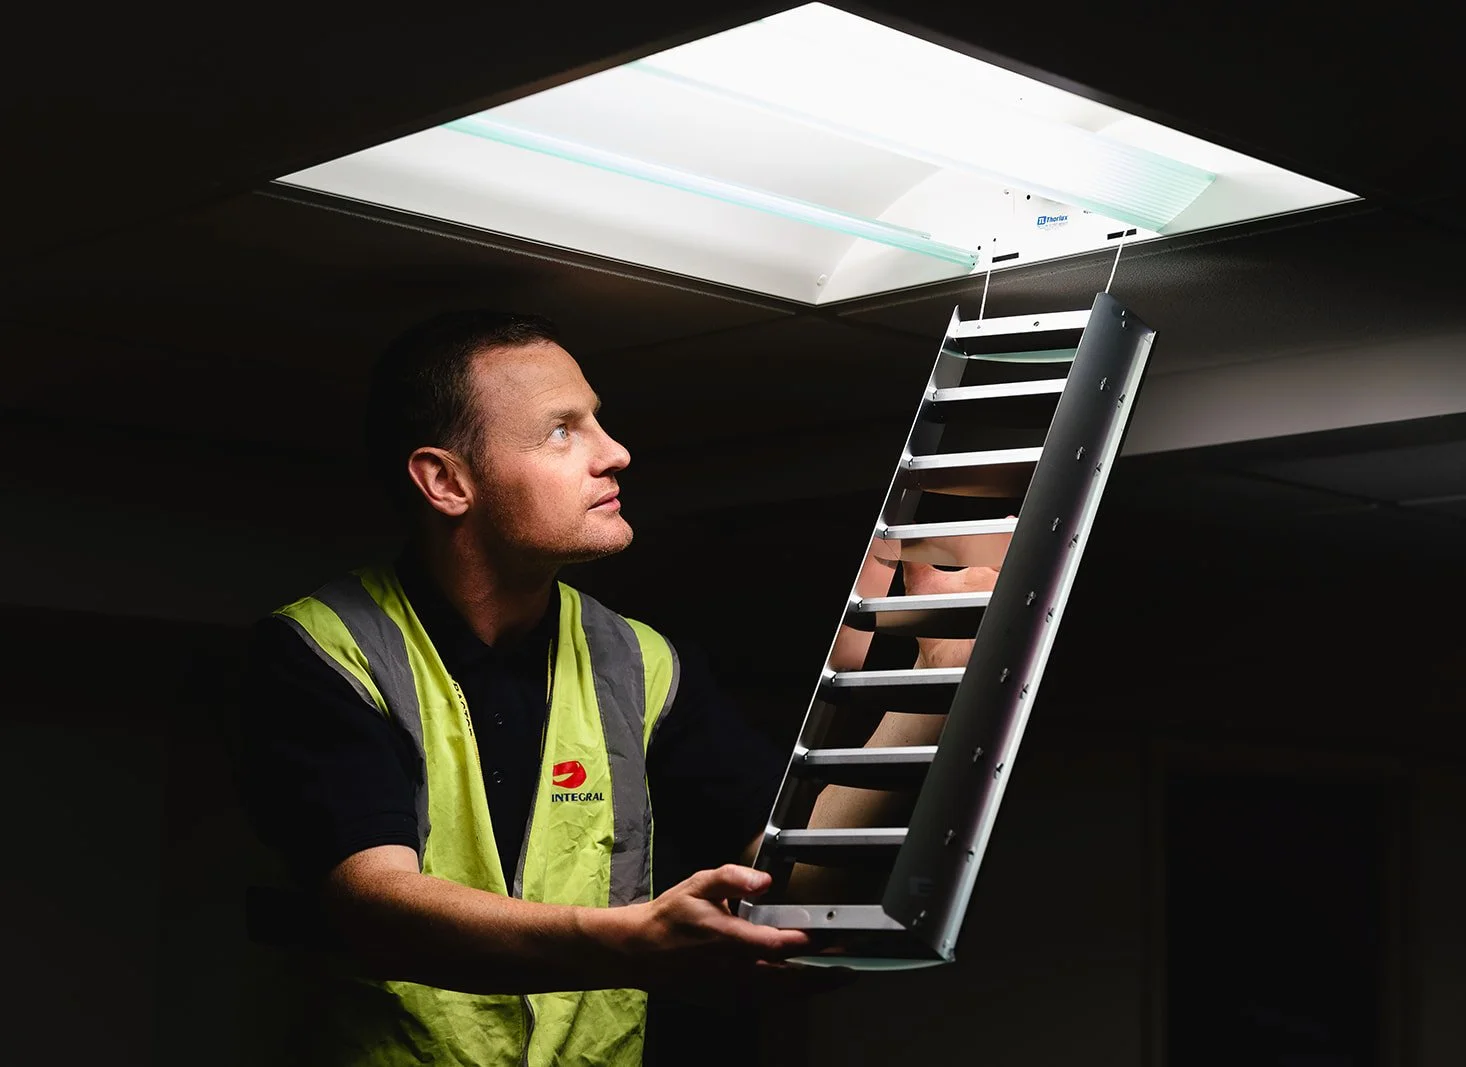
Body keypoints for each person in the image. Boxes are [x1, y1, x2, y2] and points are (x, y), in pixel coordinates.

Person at [239, 309, 986, 1066]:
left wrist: (935, 678)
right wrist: (633, 941)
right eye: (562, 430)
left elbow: (784, 872)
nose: (616, 452)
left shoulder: (639, 660)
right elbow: (376, 906)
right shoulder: (325, 648)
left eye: (597, 420)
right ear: (446, 481)